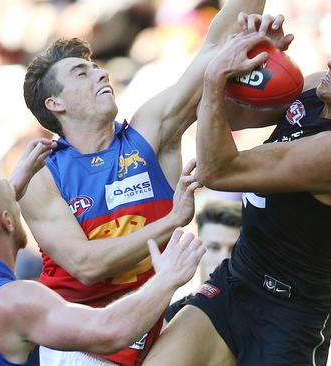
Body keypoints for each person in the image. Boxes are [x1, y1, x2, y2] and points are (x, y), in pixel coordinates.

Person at [145, 10, 331, 366]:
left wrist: (215, 76)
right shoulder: (317, 87)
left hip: (288, 313)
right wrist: (258, 68)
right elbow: (231, 116)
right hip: (239, 278)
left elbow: (217, 170)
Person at [14, 1, 269, 365]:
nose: (100, 74)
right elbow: (86, 266)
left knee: (225, 320)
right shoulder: (42, 173)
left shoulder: (148, 133)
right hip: (81, 344)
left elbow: (213, 47)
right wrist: (171, 221)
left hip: (150, 333)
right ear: (55, 103)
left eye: (96, 67)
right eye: (81, 73)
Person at [0, 161, 205, 366]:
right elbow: (109, 331)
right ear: (6, 220)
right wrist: (166, 279)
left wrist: (5, 191)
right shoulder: (12, 300)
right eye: (15, 203)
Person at [165, 201, 242, 322]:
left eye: (235, 249)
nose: (224, 258)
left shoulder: (267, 316)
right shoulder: (172, 317)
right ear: (196, 249)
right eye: (213, 247)